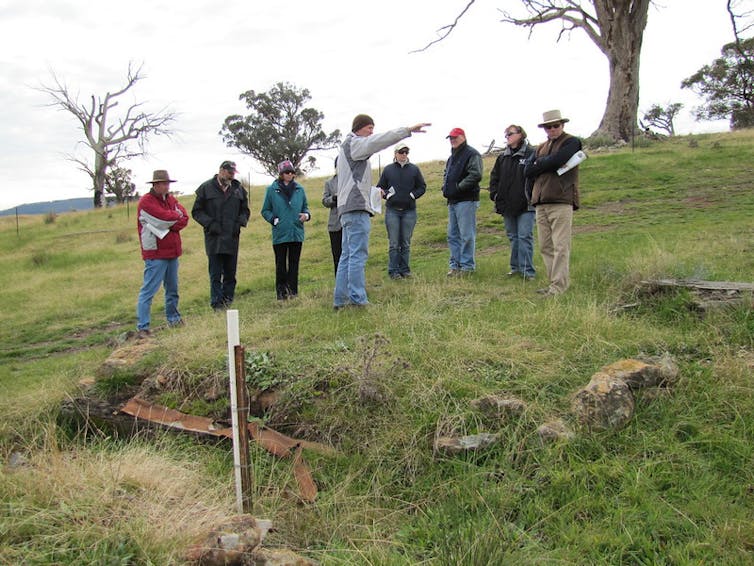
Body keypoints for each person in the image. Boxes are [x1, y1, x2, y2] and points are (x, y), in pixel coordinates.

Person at [333, 114, 430, 309]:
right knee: (357, 255)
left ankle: (340, 300)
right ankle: (358, 299)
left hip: (345, 208)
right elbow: (379, 141)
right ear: (360, 128)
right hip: (356, 207)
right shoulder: (356, 144)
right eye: (369, 128)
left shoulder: (346, 147)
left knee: (347, 255)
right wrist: (407, 130)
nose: (371, 133)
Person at [524, 109, 582, 296]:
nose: (552, 129)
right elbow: (526, 170)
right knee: (545, 245)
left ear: (562, 125)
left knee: (560, 245)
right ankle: (553, 284)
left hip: (561, 200)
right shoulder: (541, 147)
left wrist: (539, 165)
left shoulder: (571, 142)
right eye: (548, 127)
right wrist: (544, 164)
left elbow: (559, 160)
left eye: (555, 125)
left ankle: (559, 286)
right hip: (540, 201)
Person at [135, 170, 189, 337]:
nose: (167, 186)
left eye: (168, 183)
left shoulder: (171, 199)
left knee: (172, 288)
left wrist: (171, 220)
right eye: (164, 183)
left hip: (172, 251)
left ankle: (173, 318)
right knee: (149, 290)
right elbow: (164, 219)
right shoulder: (146, 202)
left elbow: (184, 218)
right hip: (156, 253)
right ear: (155, 185)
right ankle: (143, 326)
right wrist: (173, 218)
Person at [192, 160, 250, 310]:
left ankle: (228, 300)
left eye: (233, 173)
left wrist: (240, 223)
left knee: (231, 273)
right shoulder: (206, 188)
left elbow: (245, 210)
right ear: (221, 171)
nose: (231, 175)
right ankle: (217, 303)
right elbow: (197, 211)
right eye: (229, 172)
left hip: (232, 237)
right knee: (215, 273)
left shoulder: (238, 190)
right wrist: (210, 224)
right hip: (214, 238)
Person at [489, 124, 537, 280]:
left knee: (524, 237)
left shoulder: (531, 153)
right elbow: (494, 178)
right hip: (507, 205)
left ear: (520, 134)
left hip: (526, 205)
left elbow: (536, 177)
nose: (507, 137)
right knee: (513, 237)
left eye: (510, 133)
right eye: (506, 135)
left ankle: (528, 271)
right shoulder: (503, 157)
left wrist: (532, 196)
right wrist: (495, 195)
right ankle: (515, 268)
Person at [261, 160, 311, 300]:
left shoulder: (300, 189)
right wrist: (273, 220)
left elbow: (305, 207)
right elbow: (265, 210)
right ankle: (281, 294)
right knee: (281, 265)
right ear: (281, 174)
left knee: (294, 264)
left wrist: (306, 216)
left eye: (292, 172)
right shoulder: (271, 190)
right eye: (287, 172)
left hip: (296, 232)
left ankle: (293, 292)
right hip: (280, 233)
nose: (290, 175)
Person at [376, 142, 426, 279]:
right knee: (394, 243)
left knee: (405, 242)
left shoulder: (414, 170)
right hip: (392, 211)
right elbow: (380, 188)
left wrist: (412, 195)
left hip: (409, 211)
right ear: (395, 153)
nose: (404, 154)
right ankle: (393, 271)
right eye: (401, 152)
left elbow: (422, 187)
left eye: (406, 152)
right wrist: (387, 195)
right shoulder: (388, 170)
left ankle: (405, 270)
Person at [442, 127, 483, 276]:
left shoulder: (471, 154)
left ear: (463, 137)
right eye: (451, 138)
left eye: (455, 137)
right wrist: (445, 187)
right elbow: (446, 174)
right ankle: (455, 265)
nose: (452, 140)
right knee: (452, 234)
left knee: (466, 234)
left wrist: (458, 188)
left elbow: (476, 175)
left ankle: (467, 267)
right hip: (453, 201)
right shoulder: (452, 157)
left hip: (466, 199)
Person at [321, 158, 341, 275]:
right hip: (335, 225)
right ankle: (339, 283)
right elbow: (324, 201)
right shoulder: (329, 182)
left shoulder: (353, 179)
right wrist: (333, 198)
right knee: (337, 256)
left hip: (350, 223)